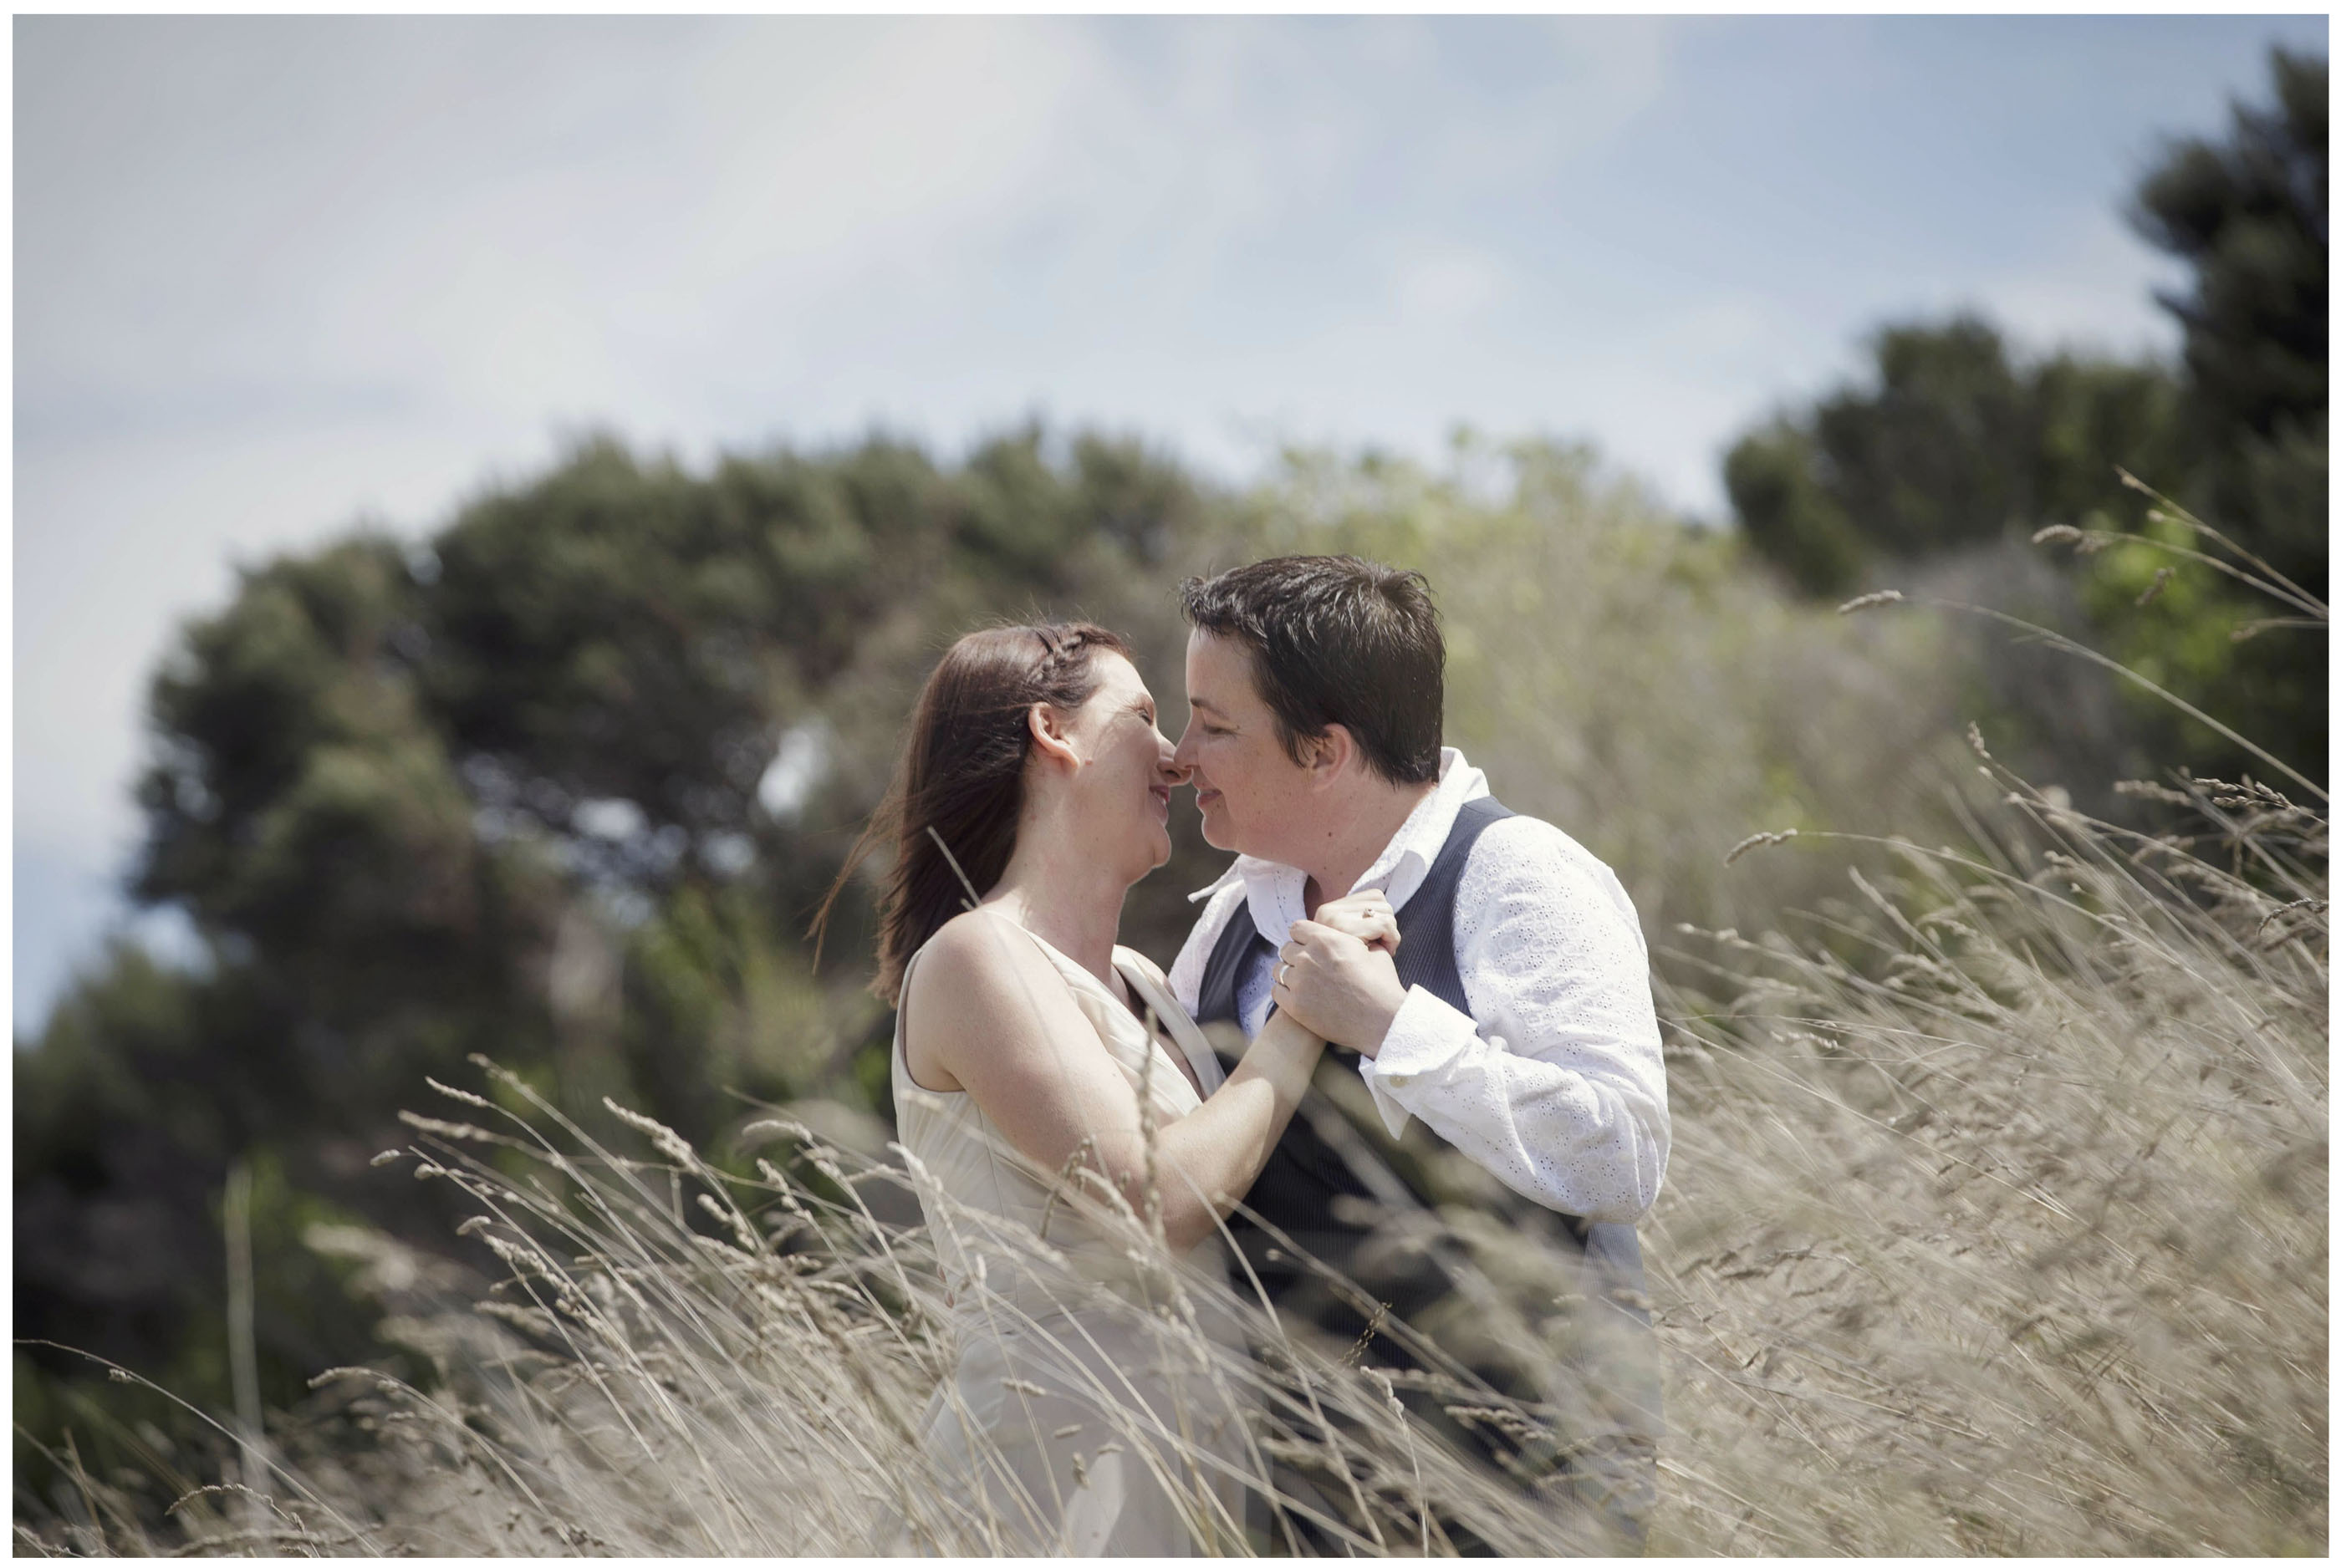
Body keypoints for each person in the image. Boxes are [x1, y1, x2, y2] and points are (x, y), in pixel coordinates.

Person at [824, 621, 1399, 1555]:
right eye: (1142, 716)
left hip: (1184, 1510)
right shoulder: (976, 958)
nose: (1176, 758)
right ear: (1055, 734)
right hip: (1033, 1508)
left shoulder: (1146, 984)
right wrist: (1305, 1013)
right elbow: (1155, 1195)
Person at [1164, 554, 1670, 1552]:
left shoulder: (1520, 875)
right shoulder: (1233, 916)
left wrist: (1392, 1026)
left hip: (1525, 1472)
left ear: (1325, 751)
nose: (1180, 756)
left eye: (1214, 725)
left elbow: (1620, 1155)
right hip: (1305, 1483)